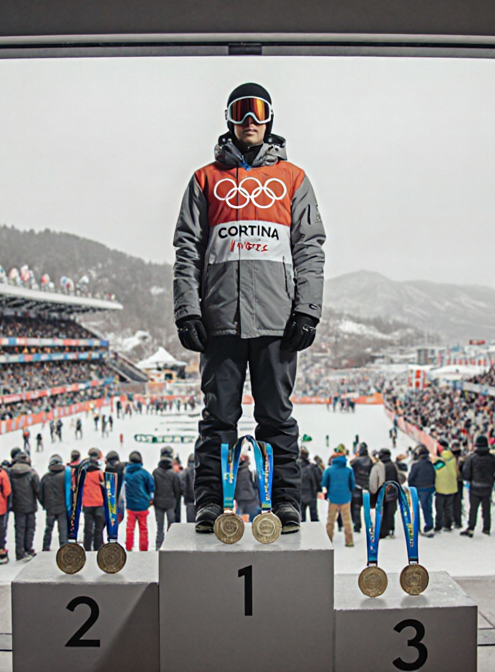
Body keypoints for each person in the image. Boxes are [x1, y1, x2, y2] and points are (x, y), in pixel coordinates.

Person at [173, 82, 327, 537]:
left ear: (271, 119)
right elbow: (187, 248)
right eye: (241, 112)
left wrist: (308, 309)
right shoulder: (205, 178)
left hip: (277, 320)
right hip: (220, 318)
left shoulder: (293, 178)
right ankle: (210, 503)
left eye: (259, 112)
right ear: (229, 119)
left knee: (276, 416)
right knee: (218, 417)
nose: (250, 121)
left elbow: (310, 246)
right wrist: (188, 309)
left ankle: (284, 501)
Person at [461, 435, 495, 537]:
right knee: (486, 508)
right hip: (487, 487)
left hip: (475, 487)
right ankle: (486, 528)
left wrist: (469, 480)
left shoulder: (472, 458)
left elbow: (466, 472)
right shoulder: (492, 458)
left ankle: (471, 527)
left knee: (473, 509)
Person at [9, 452, 41, 560]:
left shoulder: (11, 472)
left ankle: (19, 552)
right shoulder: (31, 473)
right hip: (30, 505)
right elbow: (38, 489)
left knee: (19, 528)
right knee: (30, 528)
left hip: (17, 505)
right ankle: (28, 548)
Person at [321, 453, 356, 547]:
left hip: (333, 498)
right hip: (345, 498)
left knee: (330, 520)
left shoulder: (329, 470)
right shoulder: (348, 470)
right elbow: (352, 484)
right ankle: (349, 541)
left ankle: (329, 539)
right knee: (347, 520)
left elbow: (324, 483)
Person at [123, 451, 154, 552]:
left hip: (130, 506)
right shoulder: (144, 473)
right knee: (143, 528)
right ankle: (143, 548)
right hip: (142, 505)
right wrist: (150, 499)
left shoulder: (126, 474)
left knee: (130, 528)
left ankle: (128, 546)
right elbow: (151, 487)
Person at [153, 449, 183, 549]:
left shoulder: (155, 472)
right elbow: (178, 491)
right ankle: (170, 545)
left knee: (159, 527)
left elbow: (153, 488)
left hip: (158, 504)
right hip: (171, 504)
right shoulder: (174, 474)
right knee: (171, 527)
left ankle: (158, 546)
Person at [368, 448, 401, 539]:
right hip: (392, 492)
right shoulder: (392, 465)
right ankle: (390, 529)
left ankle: (383, 531)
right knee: (390, 512)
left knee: (383, 512)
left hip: (383, 492)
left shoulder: (380, 466)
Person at [40, 454, 68, 552]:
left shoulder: (45, 477)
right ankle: (64, 547)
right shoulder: (65, 476)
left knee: (48, 528)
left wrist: (44, 504)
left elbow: (40, 494)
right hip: (62, 507)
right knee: (63, 528)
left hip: (50, 507)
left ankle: (46, 546)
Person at [407, 447, 437, 537]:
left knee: (416, 508)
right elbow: (434, 476)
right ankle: (429, 525)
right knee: (427, 508)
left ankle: (416, 526)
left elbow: (410, 478)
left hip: (418, 489)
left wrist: (411, 487)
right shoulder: (430, 465)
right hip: (428, 489)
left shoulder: (416, 465)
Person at [81, 449, 106, 551]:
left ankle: (87, 547)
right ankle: (98, 547)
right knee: (98, 528)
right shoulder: (99, 474)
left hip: (87, 504)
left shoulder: (83, 476)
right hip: (99, 504)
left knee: (88, 528)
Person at [434, 444, 458, 533]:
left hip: (440, 488)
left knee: (439, 508)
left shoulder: (439, 462)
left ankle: (438, 525)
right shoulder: (453, 461)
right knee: (448, 508)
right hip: (452, 488)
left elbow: (435, 470)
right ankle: (448, 524)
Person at [349, 444, 373, 534]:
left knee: (356, 507)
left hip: (357, 486)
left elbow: (352, 473)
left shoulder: (356, 461)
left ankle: (357, 525)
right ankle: (368, 524)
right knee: (366, 507)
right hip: (367, 486)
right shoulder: (370, 461)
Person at [234, 453, 259, 519]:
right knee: (254, 518)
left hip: (241, 498)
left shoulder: (234, 472)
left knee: (238, 518)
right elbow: (256, 484)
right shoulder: (250, 470)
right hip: (250, 498)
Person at [298, 448, 320, 522]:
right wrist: (319, 488)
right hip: (311, 493)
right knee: (313, 514)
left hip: (300, 492)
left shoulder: (297, 466)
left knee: (301, 515)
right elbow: (318, 478)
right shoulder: (312, 467)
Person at [181, 454, 197, 523]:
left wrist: (185, 495)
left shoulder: (186, 471)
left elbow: (182, 485)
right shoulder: (201, 469)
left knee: (190, 523)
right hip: (200, 499)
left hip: (189, 500)